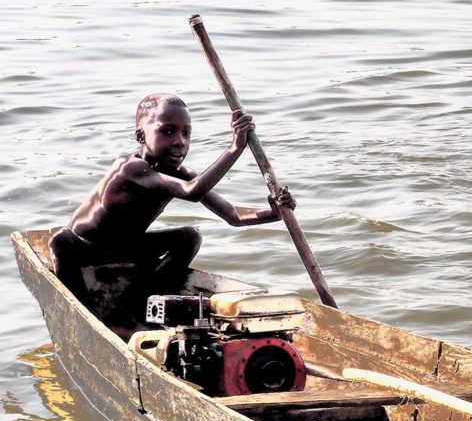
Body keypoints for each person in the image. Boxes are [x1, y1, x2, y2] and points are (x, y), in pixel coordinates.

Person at [49, 92, 295, 308]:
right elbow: (192, 191)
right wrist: (235, 147)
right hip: (87, 248)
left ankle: (144, 298)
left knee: (189, 236)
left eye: (186, 133)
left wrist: (275, 213)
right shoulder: (131, 168)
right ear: (141, 135)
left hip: (127, 248)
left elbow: (233, 216)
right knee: (61, 238)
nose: (180, 142)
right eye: (167, 131)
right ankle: (83, 307)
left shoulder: (181, 174)